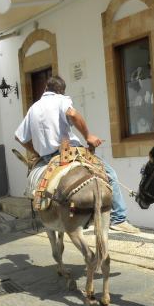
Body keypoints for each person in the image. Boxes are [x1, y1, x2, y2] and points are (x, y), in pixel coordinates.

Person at [14, 75, 140, 233]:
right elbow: (73, 114)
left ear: (46, 88)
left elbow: (19, 137)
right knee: (110, 174)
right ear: (60, 90)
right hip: (71, 153)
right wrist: (88, 136)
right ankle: (118, 218)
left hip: (48, 159)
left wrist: (36, 151)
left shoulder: (33, 108)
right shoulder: (61, 99)